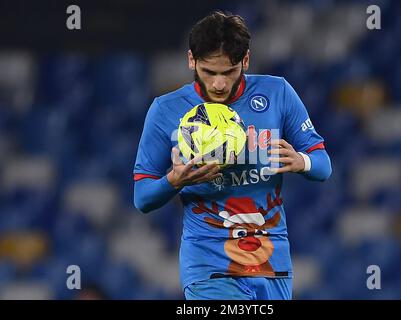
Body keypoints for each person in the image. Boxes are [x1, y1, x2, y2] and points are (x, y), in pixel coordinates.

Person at [133, 11, 332, 300]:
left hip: (272, 262)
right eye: (209, 72)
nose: (218, 84)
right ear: (192, 60)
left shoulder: (277, 93)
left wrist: (303, 162)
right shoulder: (166, 110)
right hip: (208, 266)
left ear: (245, 61)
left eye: (228, 72)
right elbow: (142, 197)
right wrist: (173, 181)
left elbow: (323, 165)